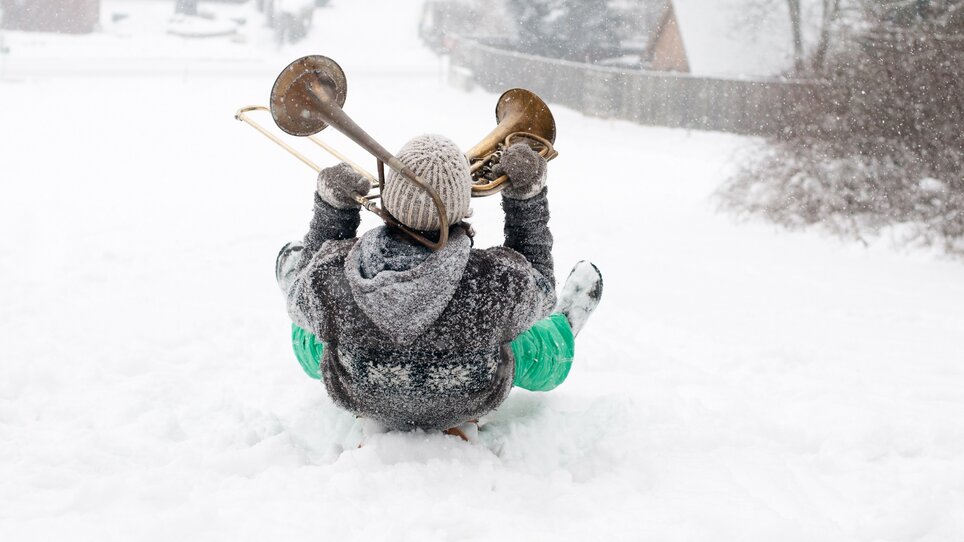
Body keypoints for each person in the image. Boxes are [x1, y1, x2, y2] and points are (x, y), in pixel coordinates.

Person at [275, 134, 602, 438]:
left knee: (310, 333)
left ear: (390, 198)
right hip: (467, 400)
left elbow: (300, 303)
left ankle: (293, 270)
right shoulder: (493, 281)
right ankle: (564, 329)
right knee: (531, 346)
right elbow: (541, 291)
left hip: (360, 391)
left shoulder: (336, 270)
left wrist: (332, 213)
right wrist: (526, 201)